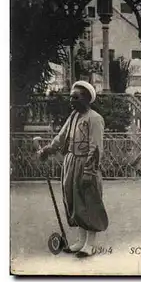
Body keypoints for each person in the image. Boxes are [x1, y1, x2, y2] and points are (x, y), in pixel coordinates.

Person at [37, 81, 108, 258]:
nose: (71, 100)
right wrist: (47, 150)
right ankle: (80, 241)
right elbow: (61, 138)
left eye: (75, 97)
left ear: (86, 99)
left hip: (86, 164)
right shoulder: (74, 116)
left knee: (89, 202)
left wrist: (89, 172)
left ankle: (89, 244)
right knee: (74, 201)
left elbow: (96, 148)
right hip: (71, 162)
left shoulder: (95, 118)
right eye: (71, 96)